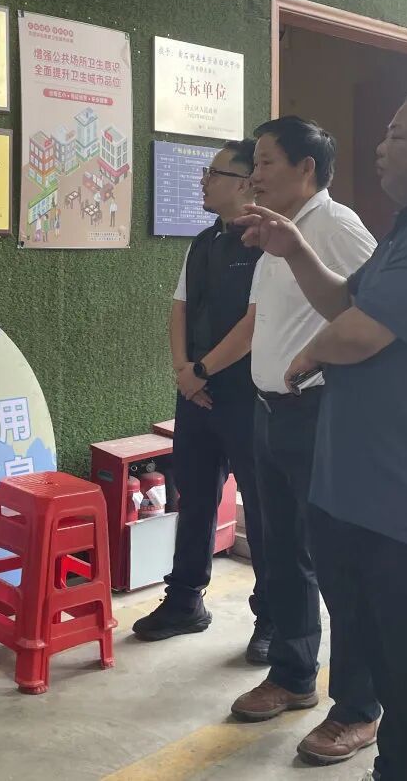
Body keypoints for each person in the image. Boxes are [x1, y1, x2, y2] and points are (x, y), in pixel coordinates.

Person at [238, 85, 407, 780]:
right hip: (379, 495)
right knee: (400, 677)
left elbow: (358, 333)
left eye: (397, 136)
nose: (381, 148)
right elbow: (346, 300)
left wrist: (310, 352)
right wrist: (295, 248)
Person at [229, 117, 381, 769]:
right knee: (282, 552)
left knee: (340, 563)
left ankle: (358, 708)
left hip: (320, 414)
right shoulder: (274, 231)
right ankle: (293, 675)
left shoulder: (337, 227)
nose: (254, 175)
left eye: (266, 162)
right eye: (254, 164)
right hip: (270, 414)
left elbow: (373, 315)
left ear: (306, 169)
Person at [133, 141, 272, 661]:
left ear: (245, 182)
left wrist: (203, 370)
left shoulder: (268, 242)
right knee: (193, 498)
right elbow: (180, 307)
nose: (203, 181)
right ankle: (185, 601)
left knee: (263, 511)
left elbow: (256, 323)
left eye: (214, 173)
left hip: (246, 394)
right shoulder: (204, 240)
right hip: (195, 391)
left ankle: (272, 618)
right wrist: (183, 372)